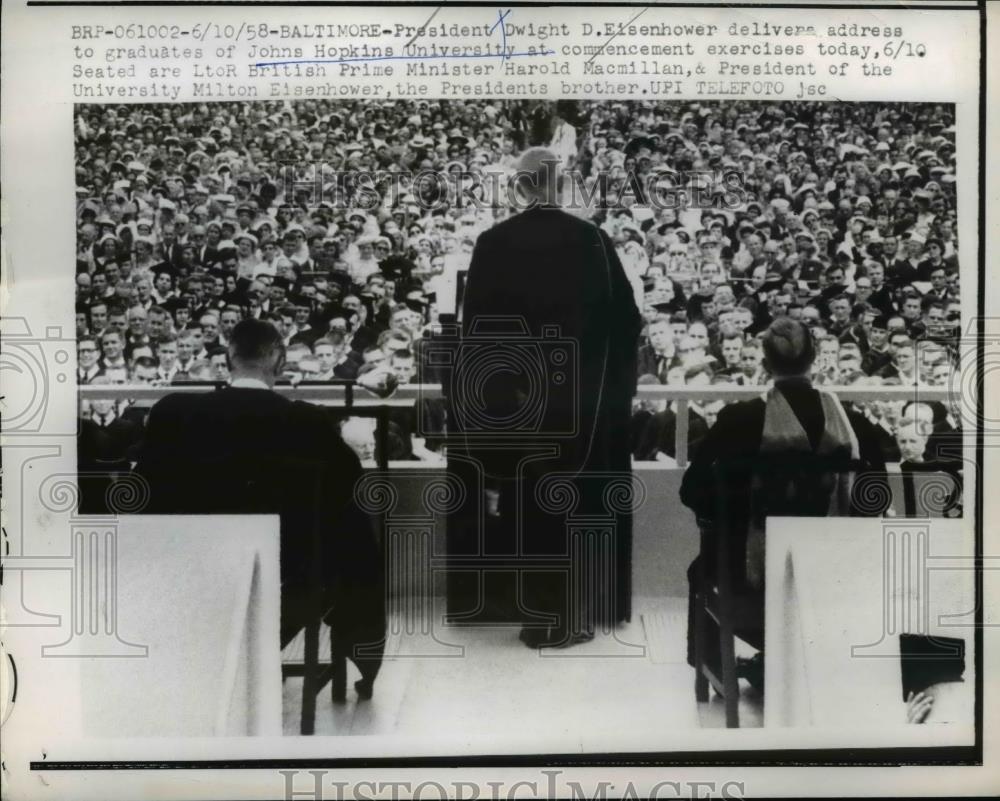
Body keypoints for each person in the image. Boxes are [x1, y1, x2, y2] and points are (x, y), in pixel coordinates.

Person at [134, 319, 385, 697]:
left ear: (228, 359)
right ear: (280, 362)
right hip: (287, 571)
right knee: (345, 546)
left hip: (193, 565)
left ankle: (209, 657)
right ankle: (270, 653)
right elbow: (347, 491)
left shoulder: (175, 415)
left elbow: (146, 493)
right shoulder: (306, 422)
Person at [457, 148, 642, 648]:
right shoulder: (594, 242)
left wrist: (498, 401)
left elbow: (476, 334)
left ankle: (534, 613)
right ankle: (570, 615)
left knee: (527, 507)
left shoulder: (493, 244)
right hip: (582, 405)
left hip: (519, 404)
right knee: (576, 507)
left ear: (520, 186)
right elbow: (626, 324)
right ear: (560, 186)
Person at [680, 318, 887, 682]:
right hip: (833, 574)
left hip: (749, 580)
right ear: (816, 358)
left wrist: (728, 516)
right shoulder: (855, 426)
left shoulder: (738, 420)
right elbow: (877, 496)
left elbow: (692, 489)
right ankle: (805, 659)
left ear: (764, 363)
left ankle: (715, 667)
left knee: (702, 569)